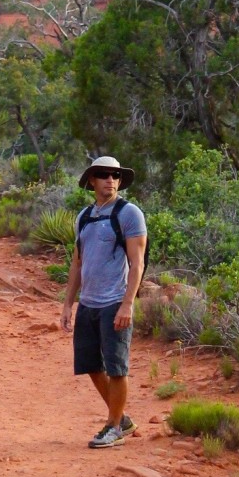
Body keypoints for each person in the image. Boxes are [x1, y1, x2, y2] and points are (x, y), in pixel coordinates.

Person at [61, 155, 147, 449]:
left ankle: (113, 426)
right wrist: (68, 304)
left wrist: (128, 303)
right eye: (103, 174)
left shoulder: (129, 213)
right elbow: (77, 263)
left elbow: (137, 263)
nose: (110, 179)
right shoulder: (84, 216)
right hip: (89, 303)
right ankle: (121, 418)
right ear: (92, 181)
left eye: (115, 175)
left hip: (114, 301)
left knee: (116, 367)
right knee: (90, 364)